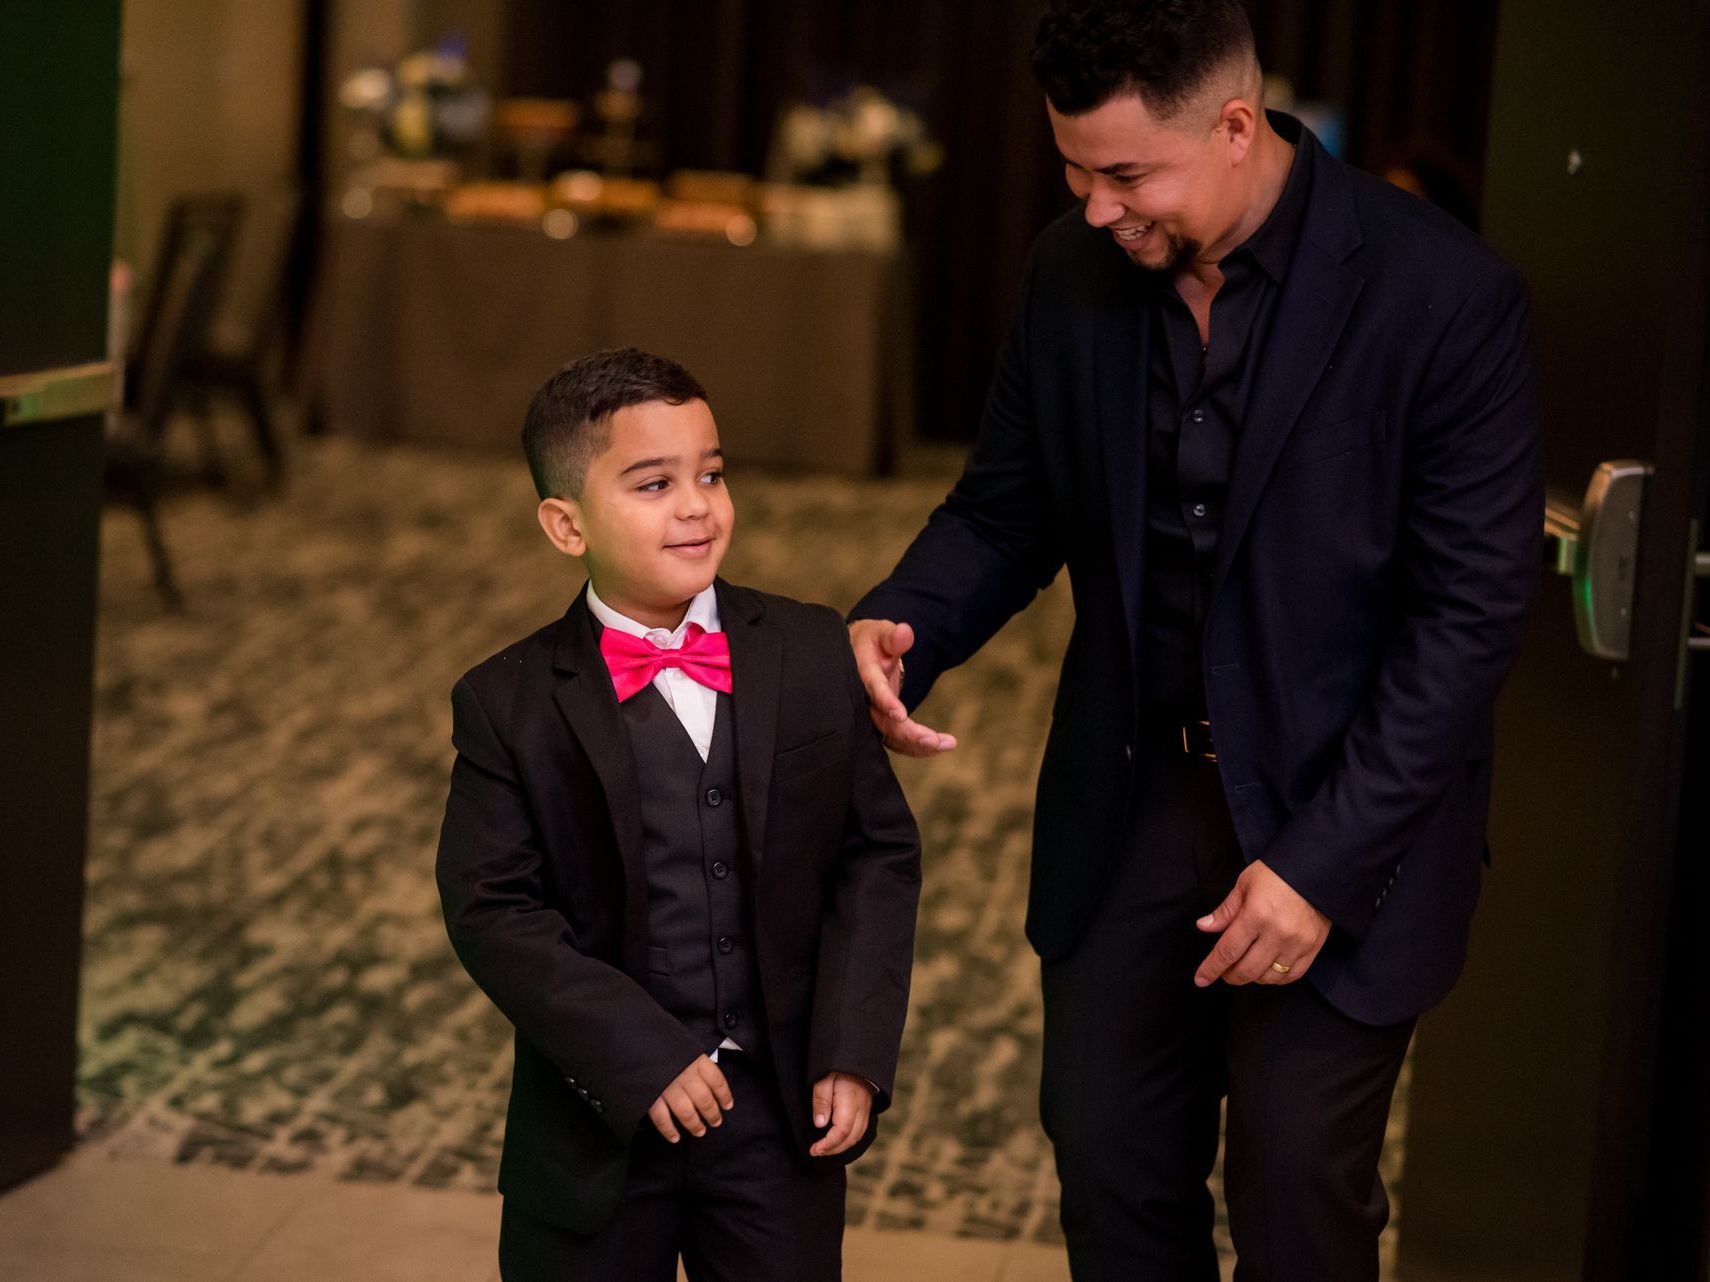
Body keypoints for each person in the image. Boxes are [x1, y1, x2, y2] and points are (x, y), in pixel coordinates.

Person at [846, 2, 1543, 1278]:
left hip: (1342, 809)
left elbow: (1466, 618)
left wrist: (1319, 866)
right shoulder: (1072, 271)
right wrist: (904, 623)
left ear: (1234, 126)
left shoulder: (1444, 296)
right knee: (1109, 1167)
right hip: (1132, 800)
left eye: (1126, 174)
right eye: (1074, 169)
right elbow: (1004, 509)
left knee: (1295, 1185)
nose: (1096, 207)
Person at [438, 347, 922, 1282]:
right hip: (596, 1127)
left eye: (712, 474)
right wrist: (637, 1053)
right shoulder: (508, 703)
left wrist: (853, 1050)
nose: (697, 506)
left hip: (778, 1117)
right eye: (654, 484)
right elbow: (493, 909)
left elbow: (876, 856)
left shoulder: (811, 650)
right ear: (566, 525)